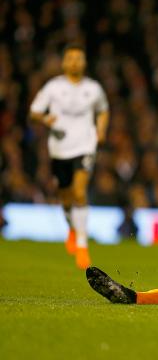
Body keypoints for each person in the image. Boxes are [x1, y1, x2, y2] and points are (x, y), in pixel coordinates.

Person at [29, 44, 110, 269]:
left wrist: (101, 130)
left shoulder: (93, 88)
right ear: (64, 63)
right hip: (59, 148)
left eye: (79, 59)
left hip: (85, 145)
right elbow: (34, 112)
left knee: (79, 191)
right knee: (65, 196)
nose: (75, 62)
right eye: (70, 59)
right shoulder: (53, 87)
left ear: (84, 63)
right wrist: (45, 120)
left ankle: (83, 246)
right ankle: (72, 229)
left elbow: (103, 110)